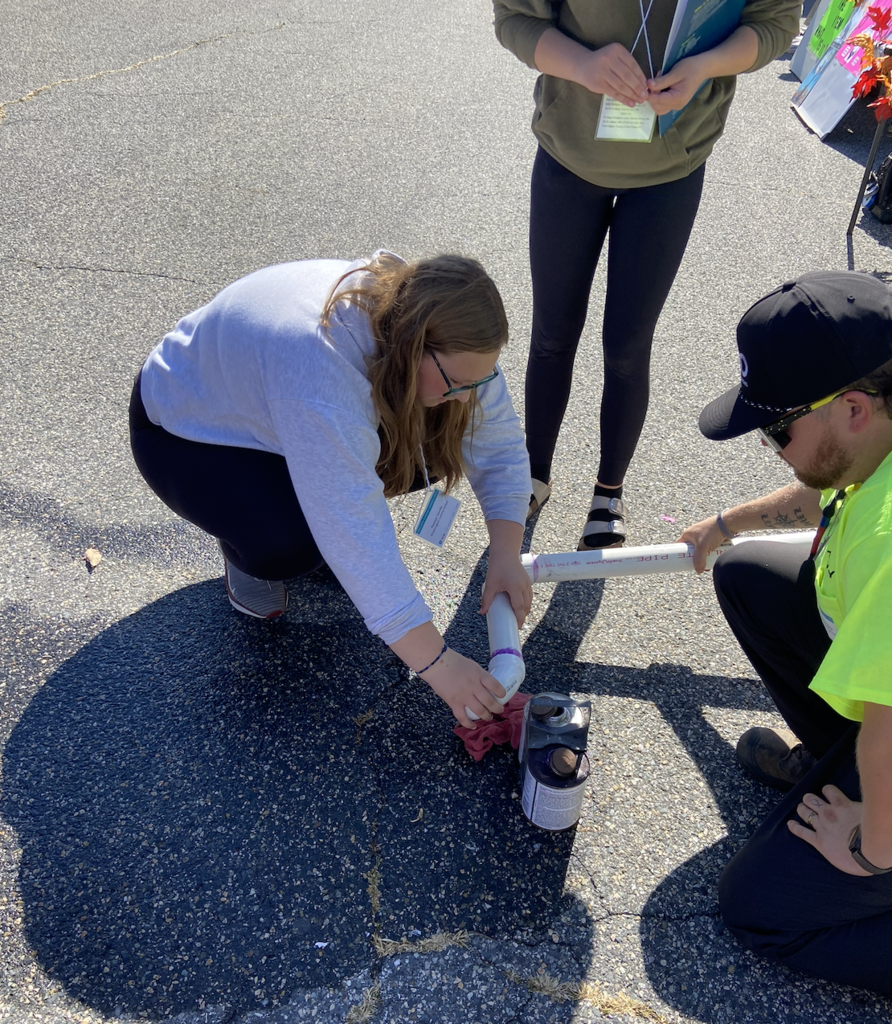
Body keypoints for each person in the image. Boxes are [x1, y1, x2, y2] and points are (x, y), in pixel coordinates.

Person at [129, 250, 533, 730]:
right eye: (459, 382)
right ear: (415, 345)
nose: (467, 393)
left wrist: (506, 554)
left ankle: (306, 514)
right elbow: (352, 527)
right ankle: (250, 560)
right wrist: (440, 666)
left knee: (431, 444)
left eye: (479, 380)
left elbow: (500, 448)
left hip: (281, 410)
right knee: (293, 543)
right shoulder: (322, 370)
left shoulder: (453, 346)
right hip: (184, 432)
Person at [492, 0, 799, 549]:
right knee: (552, 334)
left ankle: (608, 491)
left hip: (670, 168)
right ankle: (534, 475)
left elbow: (776, 22)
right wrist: (583, 65)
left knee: (629, 346)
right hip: (570, 156)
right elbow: (515, 19)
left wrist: (706, 64)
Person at [679, 270, 892, 994]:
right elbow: (830, 474)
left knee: (757, 908)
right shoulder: (875, 431)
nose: (773, 445)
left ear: (854, 408)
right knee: (746, 575)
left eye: (778, 428)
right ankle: (838, 763)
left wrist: (872, 847)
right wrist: (726, 524)